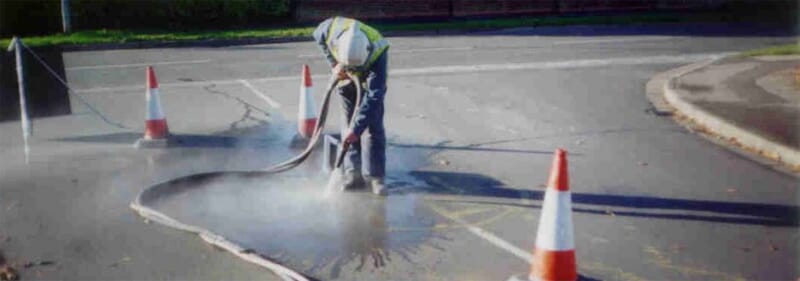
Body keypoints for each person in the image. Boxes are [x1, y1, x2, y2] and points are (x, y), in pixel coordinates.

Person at [313, 16, 389, 196]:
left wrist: (357, 128)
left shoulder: (378, 50)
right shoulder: (329, 30)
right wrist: (334, 64)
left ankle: (376, 177)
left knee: (373, 126)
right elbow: (317, 36)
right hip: (343, 77)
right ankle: (352, 175)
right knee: (348, 124)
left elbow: (374, 95)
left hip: (369, 76)